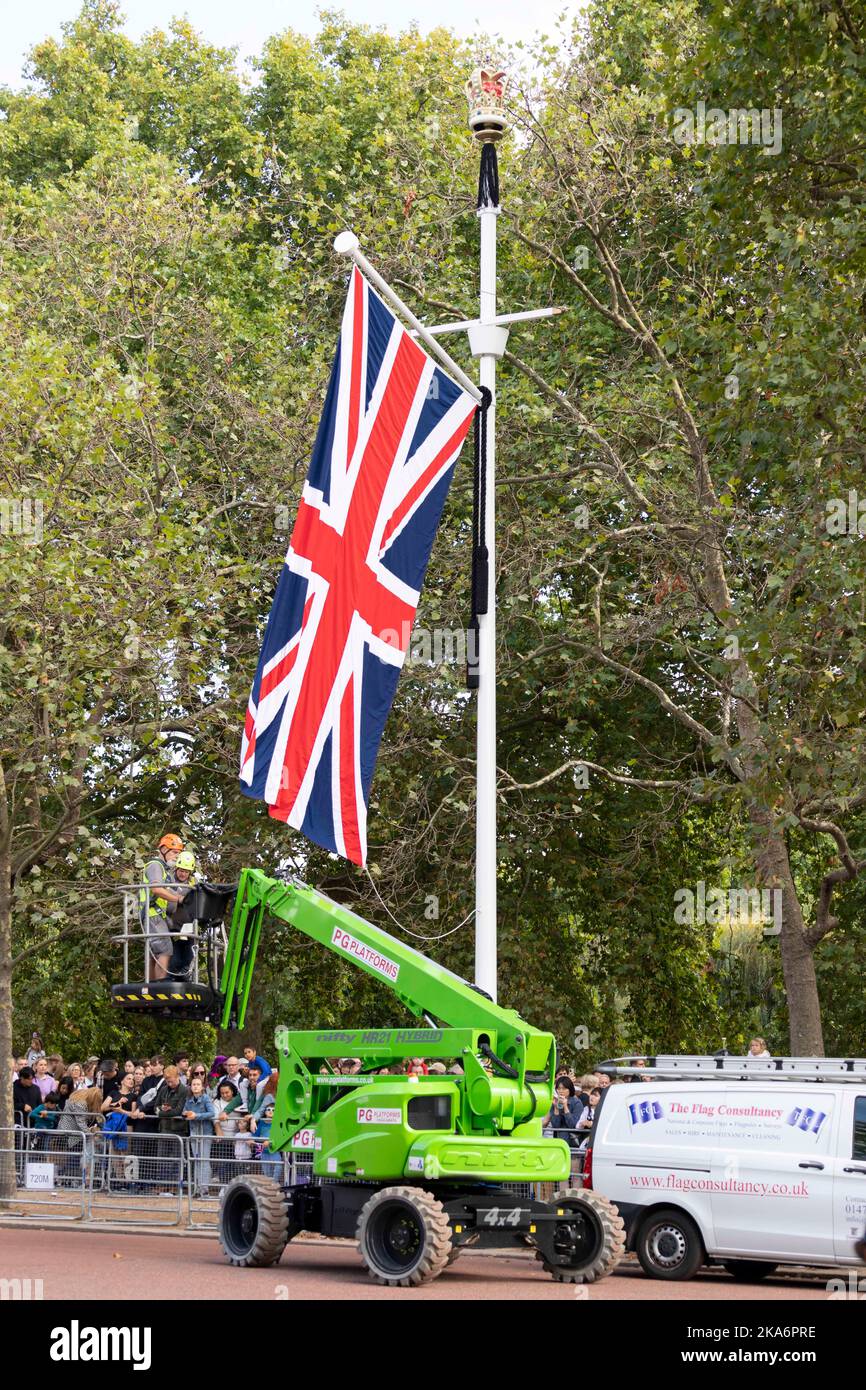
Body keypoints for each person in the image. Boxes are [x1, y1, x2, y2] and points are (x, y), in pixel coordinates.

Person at [139, 833, 186, 981]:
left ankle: (152, 987)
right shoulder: (155, 866)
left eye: (178, 854)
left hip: (157, 914)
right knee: (164, 950)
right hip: (152, 913)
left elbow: (171, 891)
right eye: (174, 852)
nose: (176, 857)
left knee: (155, 952)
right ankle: (160, 986)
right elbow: (157, 890)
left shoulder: (165, 871)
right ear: (163, 850)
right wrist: (179, 899)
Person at [183, 1074, 216, 1197]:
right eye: (193, 1085)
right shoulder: (188, 1100)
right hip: (194, 1132)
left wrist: (196, 1115)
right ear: (190, 1087)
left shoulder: (206, 1098)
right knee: (196, 1160)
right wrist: (186, 1114)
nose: (195, 1087)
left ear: (202, 1087)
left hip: (205, 1132)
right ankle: (197, 1187)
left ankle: (204, 1187)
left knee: (204, 1160)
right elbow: (184, 1111)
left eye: (198, 1084)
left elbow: (211, 1113)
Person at [546, 1077, 583, 1148]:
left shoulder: (577, 1103)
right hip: (558, 1141)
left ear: (570, 1089)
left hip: (572, 1142)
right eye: (558, 1088)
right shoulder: (556, 1101)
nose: (561, 1091)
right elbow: (555, 1126)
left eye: (564, 1088)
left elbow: (573, 1124)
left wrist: (565, 1107)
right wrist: (556, 1108)